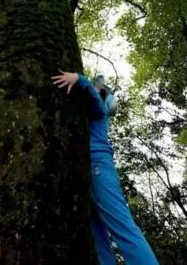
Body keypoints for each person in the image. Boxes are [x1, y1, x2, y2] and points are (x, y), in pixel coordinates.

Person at [51, 70, 159, 265]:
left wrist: (79, 79)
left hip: (99, 167)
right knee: (97, 238)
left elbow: (97, 99)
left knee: (121, 224)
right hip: (88, 169)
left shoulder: (100, 112)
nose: (94, 89)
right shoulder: (88, 115)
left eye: (97, 89)